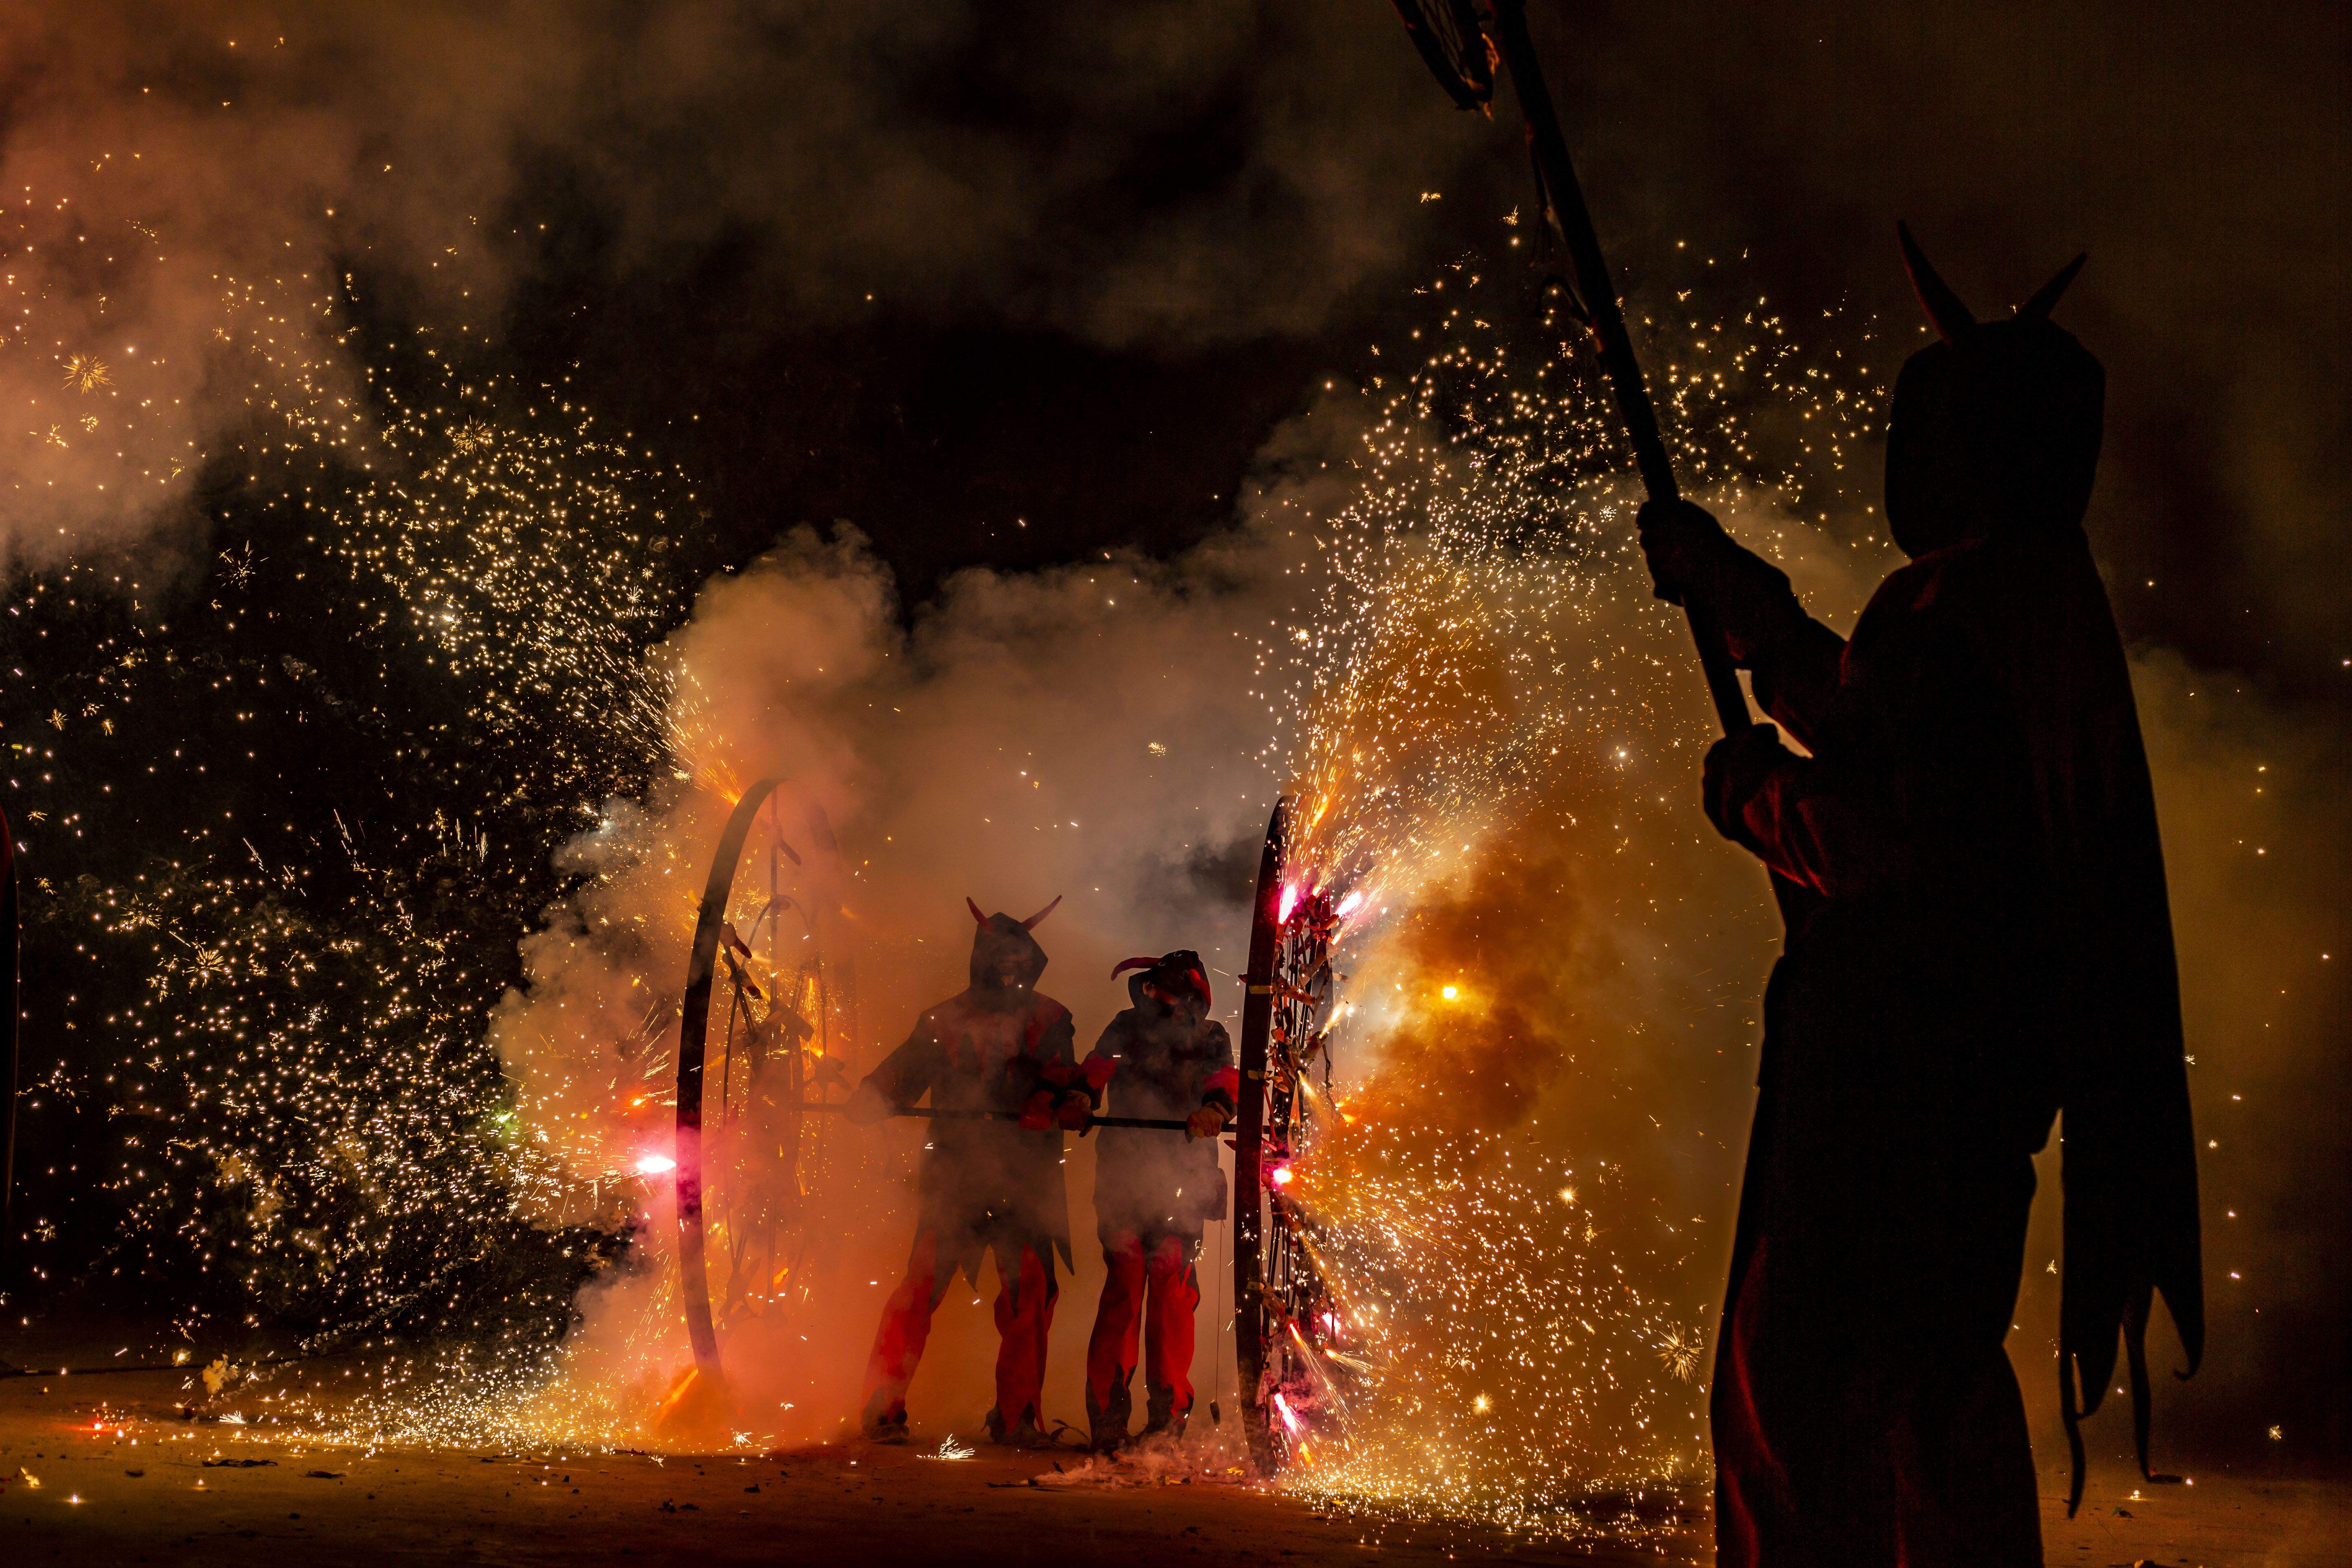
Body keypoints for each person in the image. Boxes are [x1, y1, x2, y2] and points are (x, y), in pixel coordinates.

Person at [1639, 225, 2202, 1567]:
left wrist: (1759, 802)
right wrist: (1745, 606)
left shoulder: (1973, 608)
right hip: (1956, 1084)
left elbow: (1913, 858)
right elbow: (1889, 734)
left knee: (1825, 1386)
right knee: (1913, 1380)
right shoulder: (2026, 603)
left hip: (1898, 1080)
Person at [849, 897, 1092, 1447]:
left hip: (1024, 1178)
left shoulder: (1050, 1018)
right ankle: (881, 1407)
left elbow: (1064, 1074)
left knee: (1029, 1294)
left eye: (1017, 957)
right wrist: (873, 1095)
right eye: (999, 957)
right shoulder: (941, 1019)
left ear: (1031, 960)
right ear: (982, 958)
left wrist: (1066, 1100)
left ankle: (1017, 1416)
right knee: (919, 1289)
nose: (1009, 967)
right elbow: (906, 1069)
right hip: (955, 1175)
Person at [1077, 950, 1238, 1450]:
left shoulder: (1212, 1037)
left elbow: (1224, 1084)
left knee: (1171, 1292)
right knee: (1124, 1287)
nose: (1152, 995)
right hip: (1123, 1177)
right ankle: (1107, 1422)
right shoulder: (1125, 1026)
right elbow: (1095, 1072)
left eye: (1162, 988)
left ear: (1189, 993)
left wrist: (1215, 1110)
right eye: (1150, 988)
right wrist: (1079, 1099)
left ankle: (1167, 1424)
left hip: (1185, 1180)